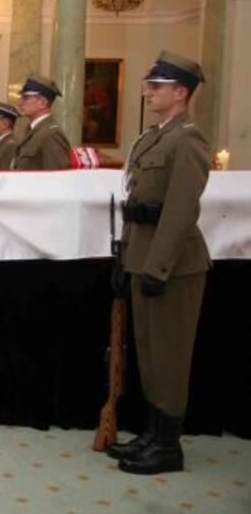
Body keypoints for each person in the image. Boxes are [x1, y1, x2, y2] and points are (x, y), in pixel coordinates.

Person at [108, 51, 211, 476]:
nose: (147, 92)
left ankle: (168, 446)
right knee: (149, 353)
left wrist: (157, 267)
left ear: (181, 92)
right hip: (143, 256)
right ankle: (154, 434)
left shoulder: (187, 140)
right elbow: (136, 204)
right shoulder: (155, 136)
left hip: (173, 265)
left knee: (169, 356)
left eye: (157, 86)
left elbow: (181, 211)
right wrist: (125, 256)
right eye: (149, 85)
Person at [9, 74, 72, 170]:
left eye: (25, 98)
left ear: (42, 103)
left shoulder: (52, 134)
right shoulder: (33, 130)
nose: (19, 102)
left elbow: (57, 175)